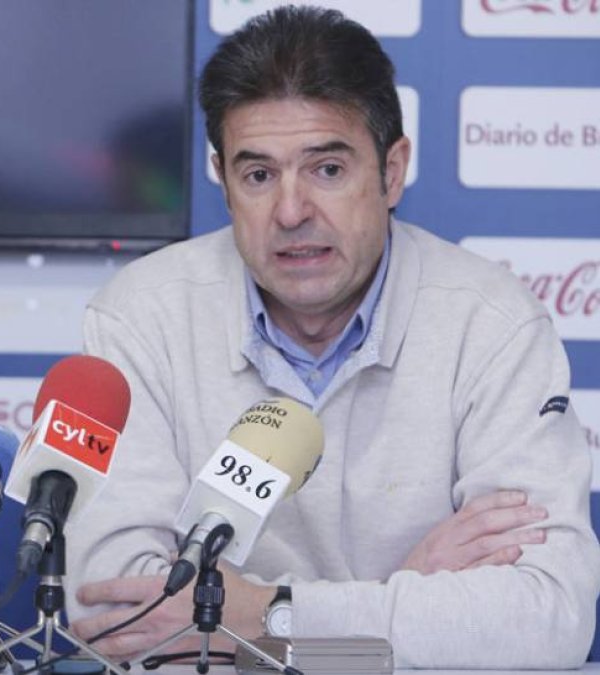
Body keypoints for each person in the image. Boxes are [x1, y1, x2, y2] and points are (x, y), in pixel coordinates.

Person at [65, 6, 600, 669]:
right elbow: (119, 615)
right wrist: (400, 594)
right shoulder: (139, 318)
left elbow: (547, 618)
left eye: (327, 170)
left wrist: (264, 610)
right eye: (258, 175)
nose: (291, 212)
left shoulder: (491, 324)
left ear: (392, 170)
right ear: (225, 184)